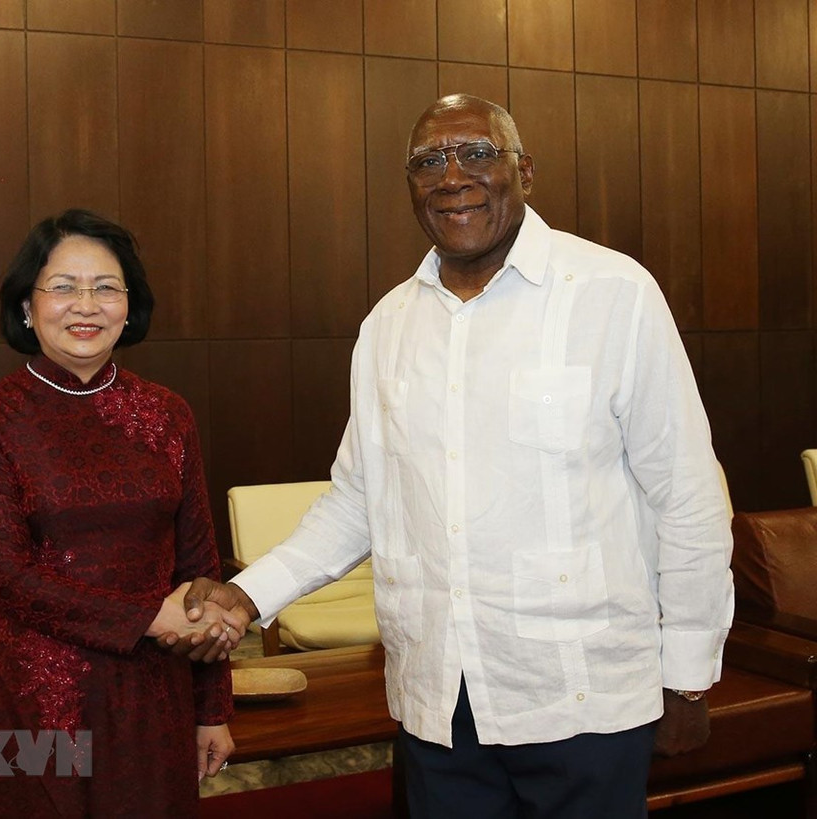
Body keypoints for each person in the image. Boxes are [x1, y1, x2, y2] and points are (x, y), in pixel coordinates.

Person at [179, 95, 735, 818]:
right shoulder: (388, 325)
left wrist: (689, 676)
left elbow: (688, 496)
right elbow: (357, 498)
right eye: (427, 161)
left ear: (524, 172)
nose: (452, 176)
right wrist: (251, 593)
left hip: (582, 700)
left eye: (477, 153)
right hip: (437, 701)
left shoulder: (613, 294)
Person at [0, 209, 243, 819]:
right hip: (34, 693)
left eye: (106, 288)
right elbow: (8, 578)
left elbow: (200, 568)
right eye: (63, 287)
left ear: (128, 308)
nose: (86, 304)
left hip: (153, 690)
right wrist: (151, 617)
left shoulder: (167, 413)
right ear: (27, 306)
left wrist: (212, 709)